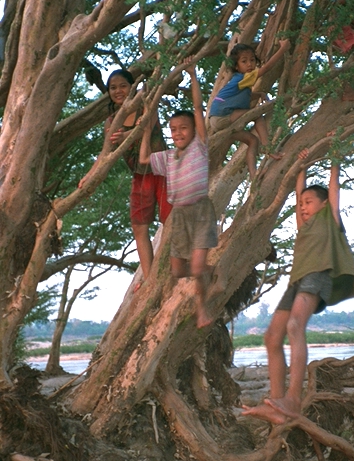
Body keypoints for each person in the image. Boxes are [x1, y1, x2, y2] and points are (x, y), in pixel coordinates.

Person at [243, 149, 354, 424]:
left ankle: (294, 399)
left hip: (317, 276)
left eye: (309, 202)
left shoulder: (330, 219)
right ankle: (277, 403)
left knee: (295, 326)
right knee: (272, 337)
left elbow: (334, 184)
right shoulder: (303, 225)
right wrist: (301, 165)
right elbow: (299, 188)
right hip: (296, 282)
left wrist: (334, 151)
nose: (303, 207)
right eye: (301, 204)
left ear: (323, 204)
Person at [139, 60, 218, 328]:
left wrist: (193, 74)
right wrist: (146, 126)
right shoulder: (169, 157)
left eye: (183, 128)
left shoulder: (200, 147)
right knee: (177, 270)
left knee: (194, 269)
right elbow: (142, 158)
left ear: (194, 131)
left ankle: (202, 309)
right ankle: (209, 272)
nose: (178, 133)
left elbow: (197, 108)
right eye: (173, 130)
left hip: (200, 211)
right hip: (179, 215)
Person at [79, 69, 172, 282]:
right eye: (113, 87)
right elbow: (105, 153)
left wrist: (126, 135)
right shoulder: (112, 121)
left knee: (171, 221)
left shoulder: (146, 104)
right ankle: (149, 279)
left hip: (162, 170)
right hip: (140, 176)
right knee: (139, 226)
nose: (118, 91)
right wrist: (89, 176)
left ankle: (169, 270)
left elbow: (146, 124)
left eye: (123, 86)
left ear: (132, 87)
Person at [208, 39, 291, 178]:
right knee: (257, 115)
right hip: (222, 116)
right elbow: (266, 68)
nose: (250, 64)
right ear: (236, 66)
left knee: (253, 141)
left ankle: (254, 175)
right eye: (244, 61)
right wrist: (283, 49)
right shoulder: (243, 77)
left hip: (219, 120)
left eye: (252, 60)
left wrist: (258, 94)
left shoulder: (241, 82)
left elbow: (244, 97)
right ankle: (268, 148)